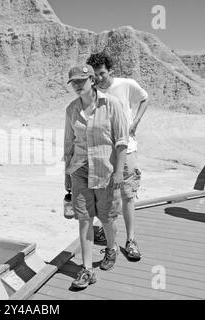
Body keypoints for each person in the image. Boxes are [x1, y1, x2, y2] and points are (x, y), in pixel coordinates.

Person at [64, 64, 129, 289]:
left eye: (81, 80)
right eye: (73, 82)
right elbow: (68, 143)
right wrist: (67, 173)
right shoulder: (71, 109)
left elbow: (122, 141)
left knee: (108, 217)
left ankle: (111, 249)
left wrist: (119, 172)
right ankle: (87, 269)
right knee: (84, 219)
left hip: (106, 171)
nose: (77, 85)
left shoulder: (111, 104)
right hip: (79, 170)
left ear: (92, 80)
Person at [87, 52, 149, 261]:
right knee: (107, 197)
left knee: (128, 195)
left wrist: (135, 123)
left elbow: (144, 98)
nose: (98, 78)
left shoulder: (126, 84)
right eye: (94, 75)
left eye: (102, 73)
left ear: (110, 70)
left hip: (127, 150)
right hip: (105, 154)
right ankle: (108, 233)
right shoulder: (92, 91)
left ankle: (131, 240)